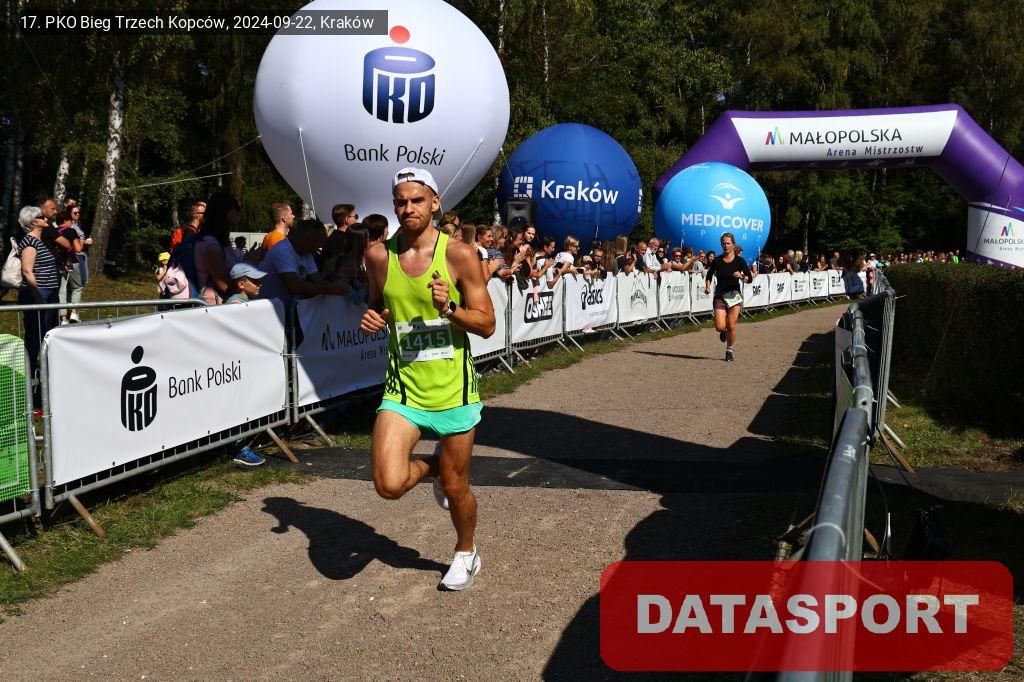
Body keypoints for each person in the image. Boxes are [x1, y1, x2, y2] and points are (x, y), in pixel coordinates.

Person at [360, 167, 495, 591]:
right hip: (403, 389)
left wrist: (450, 308)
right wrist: (372, 317)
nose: (408, 208)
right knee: (388, 484)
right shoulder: (378, 256)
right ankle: (438, 467)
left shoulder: (459, 254)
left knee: (457, 488)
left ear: (435, 202)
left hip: (453, 390)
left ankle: (466, 551)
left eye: (417, 200)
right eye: (401, 201)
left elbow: (487, 323)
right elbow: (378, 304)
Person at [17, 205, 72, 405]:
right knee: (36, 341)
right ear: (33, 222)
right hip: (38, 298)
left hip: (48, 297)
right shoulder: (30, 242)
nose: (46, 219)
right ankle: (33, 389)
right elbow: (27, 271)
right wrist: (38, 300)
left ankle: (44, 386)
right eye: (42, 217)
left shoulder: (40, 240)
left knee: (46, 338)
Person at [258, 219, 347, 306]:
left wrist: (337, 286)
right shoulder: (282, 251)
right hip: (266, 308)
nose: (321, 246)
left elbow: (318, 280)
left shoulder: (306, 252)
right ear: (308, 240)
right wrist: (331, 288)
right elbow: (295, 286)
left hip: (284, 307)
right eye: (319, 242)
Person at [705, 232, 752, 362]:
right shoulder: (717, 261)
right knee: (720, 327)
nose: (726, 246)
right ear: (721, 245)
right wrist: (708, 287)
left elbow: (750, 279)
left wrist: (741, 276)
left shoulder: (739, 261)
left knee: (731, 325)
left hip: (734, 295)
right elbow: (709, 275)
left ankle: (729, 351)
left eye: (728, 243)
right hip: (720, 295)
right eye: (724, 244)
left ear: (733, 244)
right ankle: (723, 332)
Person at [193, 192, 241, 305]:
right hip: (216, 305)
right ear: (226, 212)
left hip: (224, 303)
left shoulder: (219, 240)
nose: (238, 214)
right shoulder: (211, 245)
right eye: (236, 209)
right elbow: (224, 285)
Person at [55, 205, 84, 324]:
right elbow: (78, 249)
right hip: (72, 262)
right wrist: (82, 241)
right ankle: (73, 313)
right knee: (76, 288)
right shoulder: (71, 231)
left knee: (62, 291)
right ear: (67, 220)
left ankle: (63, 319)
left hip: (59, 263)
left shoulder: (54, 232)